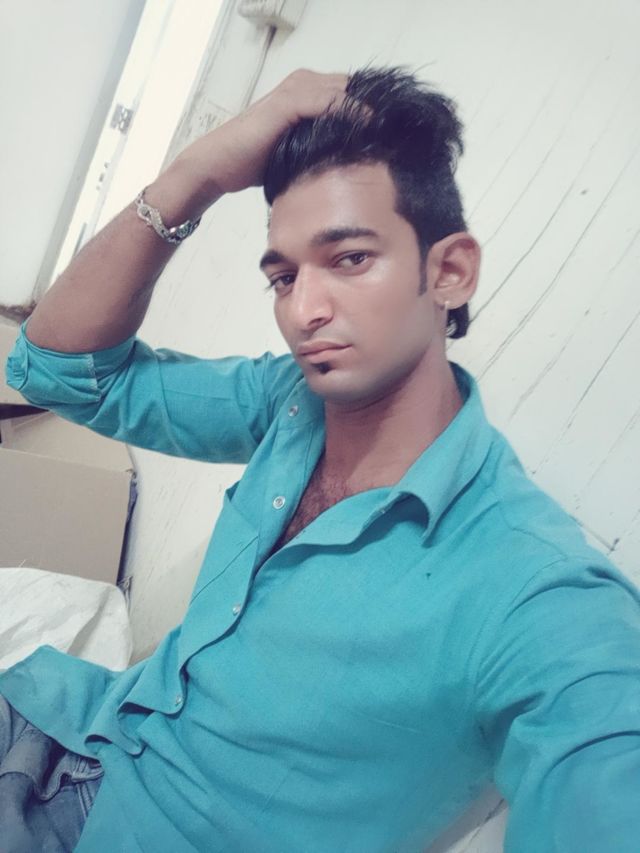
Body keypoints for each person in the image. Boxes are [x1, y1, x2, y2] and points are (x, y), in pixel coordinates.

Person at [1, 66, 639, 853]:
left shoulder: (537, 591)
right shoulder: (291, 404)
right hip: (64, 727)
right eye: (284, 276)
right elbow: (56, 371)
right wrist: (197, 173)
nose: (303, 310)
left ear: (448, 271)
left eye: (350, 258)